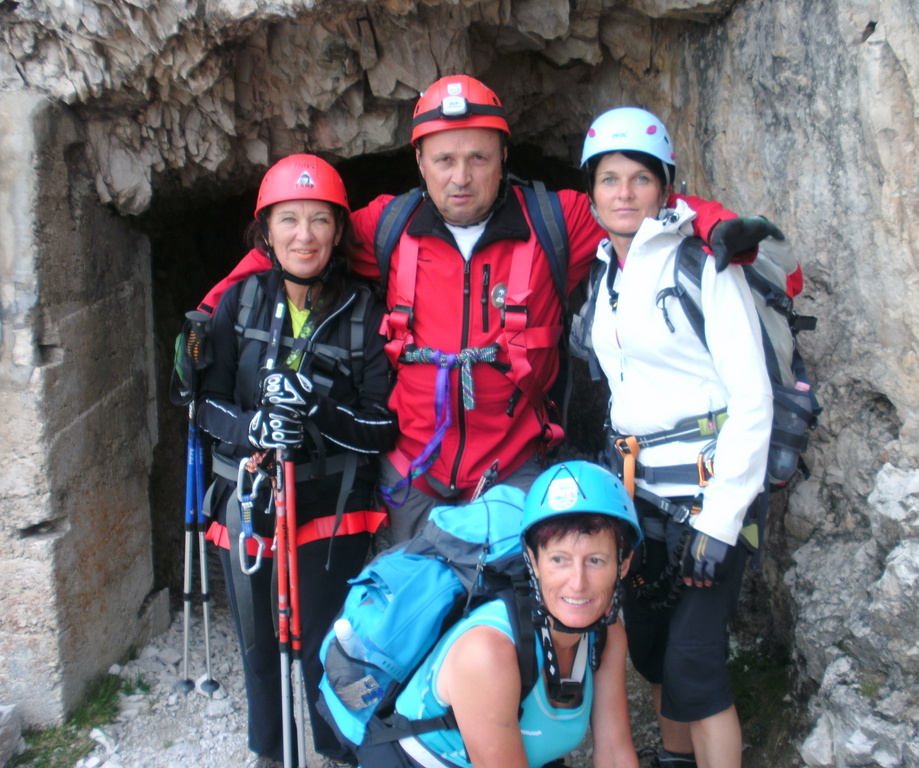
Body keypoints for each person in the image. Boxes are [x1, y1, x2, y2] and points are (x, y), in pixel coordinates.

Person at [199, 75, 747, 543]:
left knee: (503, 622)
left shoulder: (555, 222)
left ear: (504, 157)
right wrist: (208, 310)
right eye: (444, 160)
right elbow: (299, 245)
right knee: (418, 618)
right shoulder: (387, 227)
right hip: (412, 477)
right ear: (419, 162)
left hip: (514, 473)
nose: (460, 177)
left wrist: (720, 227)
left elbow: (641, 204)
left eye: (478, 158)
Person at [576, 107, 775, 768]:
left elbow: (753, 398)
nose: (624, 193)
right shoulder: (604, 275)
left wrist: (720, 522)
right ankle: (675, 758)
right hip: (641, 498)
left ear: (665, 188)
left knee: (695, 661)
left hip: (709, 495)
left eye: (640, 178)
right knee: (655, 650)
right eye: (609, 179)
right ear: (591, 192)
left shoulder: (704, 264)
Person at [196, 154, 398, 767]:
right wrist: (251, 426)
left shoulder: (363, 311)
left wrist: (317, 407)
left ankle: (335, 751)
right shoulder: (240, 303)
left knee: (323, 643)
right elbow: (205, 406)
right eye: (288, 219)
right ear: (266, 231)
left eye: (319, 220)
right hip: (249, 503)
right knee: (259, 646)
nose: (303, 235)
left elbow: (382, 427)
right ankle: (271, 753)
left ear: (338, 232)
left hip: (330, 511)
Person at [390, 460, 642, 768]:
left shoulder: (606, 632)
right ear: (533, 561)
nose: (578, 583)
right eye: (559, 559)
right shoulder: (488, 652)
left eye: (596, 561)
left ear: (623, 565)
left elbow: (615, 753)